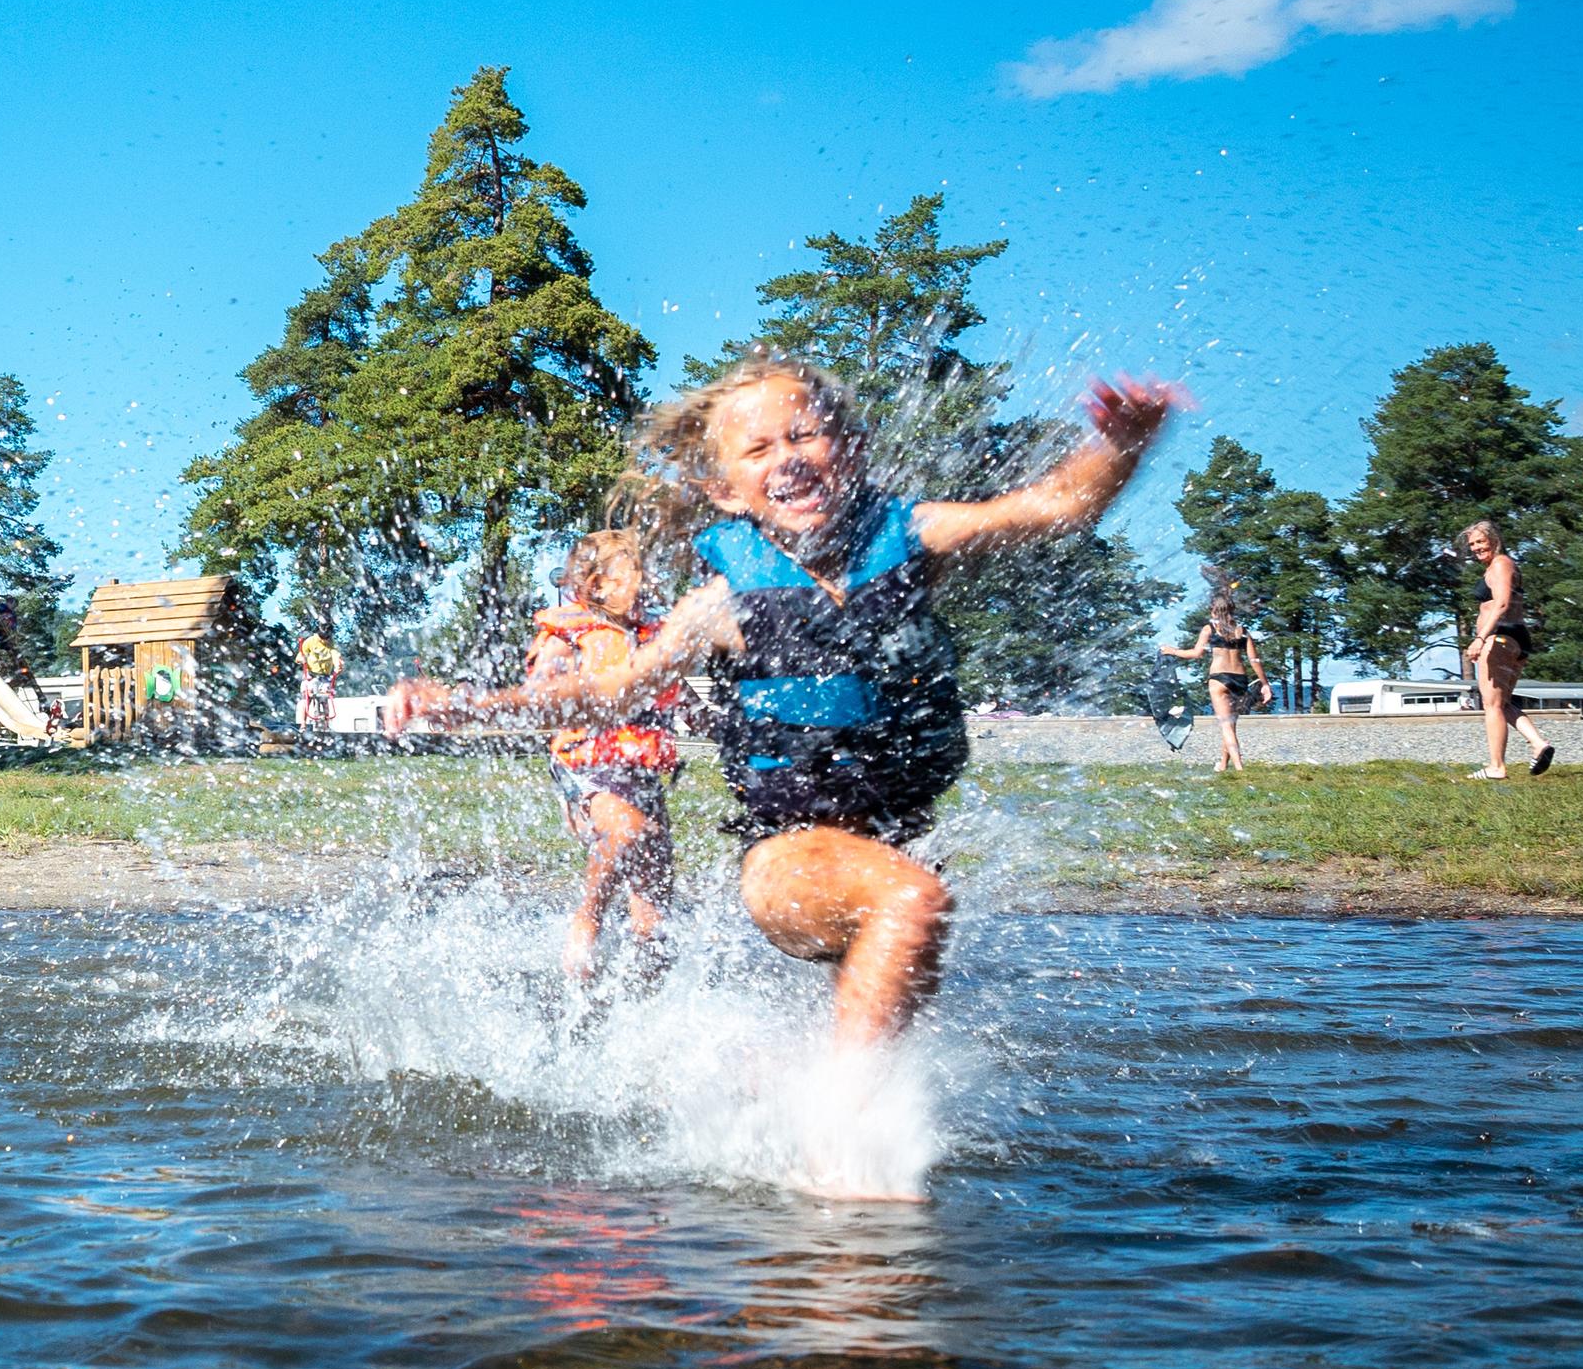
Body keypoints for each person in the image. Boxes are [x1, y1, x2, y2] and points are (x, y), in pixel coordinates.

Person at [393, 352, 1184, 1052]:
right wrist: (461, 705)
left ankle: (797, 1105)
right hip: (786, 856)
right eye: (759, 448)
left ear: (853, 450)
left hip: (895, 842)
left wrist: (1119, 445)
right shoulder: (724, 603)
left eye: (805, 435)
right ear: (725, 490)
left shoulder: (914, 537)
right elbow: (607, 692)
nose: (789, 457)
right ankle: (846, 1131)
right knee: (912, 903)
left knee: (905, 928)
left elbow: (1055, 505)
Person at [525, 530, 681, 990]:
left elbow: (677, 694)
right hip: (587, 767)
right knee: (626, 829)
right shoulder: (570, 632)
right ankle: (588, 917)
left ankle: (641, 993)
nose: (650, 582)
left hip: (638, 769)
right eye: (637, 574)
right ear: (596, 585)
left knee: (654, 906)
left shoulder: (650, 633)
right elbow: (539, 691)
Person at [1461, 519, 1557, 779]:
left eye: (1481, 541)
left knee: (1491, 704)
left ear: (1494, 540)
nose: (1476, 548)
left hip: (1501, 637)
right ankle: (1538, 744)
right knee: (1501, 703)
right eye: (1472, 544)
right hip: (1513, 637)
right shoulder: (1497, 566)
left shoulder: (1501, 564)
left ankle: (1497, 767)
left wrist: (1480, 638)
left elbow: (1502, 604)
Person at [1158, 591, 1271, 773]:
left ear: (1213, 610)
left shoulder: (1209, 629)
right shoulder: (1242, 631)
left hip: (1219, 679)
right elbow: (1254, 660)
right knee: (1230, 725)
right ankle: (1223, 765)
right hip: (1240, 679)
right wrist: (1265, 684)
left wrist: (1173, 651)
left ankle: (1240, 769)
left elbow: (1196, 654)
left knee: (1226, 726)